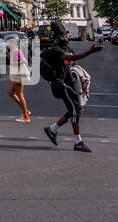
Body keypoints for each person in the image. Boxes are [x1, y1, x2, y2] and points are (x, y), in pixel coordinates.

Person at [41, 22, 103, 152]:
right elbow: (72, 57)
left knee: (73, 110)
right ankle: (78, 142)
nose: (66, 37)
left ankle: (52, 130)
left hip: (69, 83)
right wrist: (90, 51)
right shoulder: (56, 50)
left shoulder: (66, 48)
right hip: (61, 85)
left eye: (66, 35)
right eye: (63, 36)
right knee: (75, 111)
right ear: (57, 38)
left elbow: (71, 61)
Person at [6, 34, 31, 122]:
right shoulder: (14, 51)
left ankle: (26, 116)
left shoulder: (16, 51)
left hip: (19, 75)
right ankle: (26, 111)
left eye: (8, 43)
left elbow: (24, 61)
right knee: (11, 93)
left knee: (20, 95)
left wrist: (15, 64)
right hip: (17, 75)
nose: (7, 45)